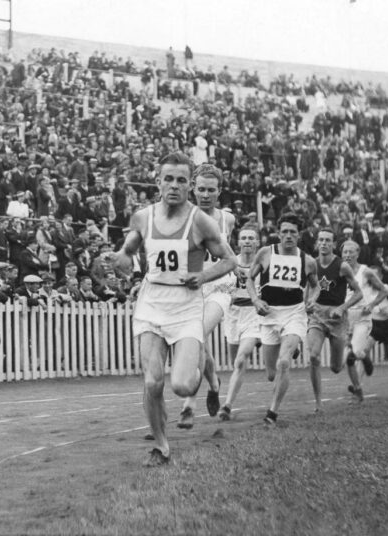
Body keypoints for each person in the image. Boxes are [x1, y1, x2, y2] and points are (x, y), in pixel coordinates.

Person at [111, 152, 236, 466]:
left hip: (186, 307)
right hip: (152, 303)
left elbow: (230, 261)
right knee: (153, 382)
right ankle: (162, 447)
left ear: (189, 184)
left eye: (182, 180)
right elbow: (127, 251)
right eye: (168, 179)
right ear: (158, 181)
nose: (175, 186)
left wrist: (202, 275)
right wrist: (121, 261)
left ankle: (205, 382)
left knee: (181, 385)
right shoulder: (144, 217)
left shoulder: (200, 220)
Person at [176, 163, 234, 429]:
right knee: (200, 342)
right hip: (195, 287)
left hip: (220, 288)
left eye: (211, 190)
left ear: (219, 191)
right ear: (192, 189)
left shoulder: (227, 219)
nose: (206, 195)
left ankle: (189, 403)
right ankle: (213, 383)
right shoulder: (182, 216)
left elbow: (227, 252)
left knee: (196, 334)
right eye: (201, 189)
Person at [246, 215, 319, 424]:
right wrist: (255, 300)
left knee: (284, 362)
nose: (288, 236)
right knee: (271, 374)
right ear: (278, 233)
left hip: (294, 313)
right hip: (269, 315)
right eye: (285, 231)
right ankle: (290, 345)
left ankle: (272, 413)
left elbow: (316, 285)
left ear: (299, 235)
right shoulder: (266, 253)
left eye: (293, 232)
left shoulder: (307, 260)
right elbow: (250, 278)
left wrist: (312, 300)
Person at [307, 228, 363, 412]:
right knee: (314, 356)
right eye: (320, 240)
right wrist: (307, 305)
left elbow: (358, 293)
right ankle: (318, 403)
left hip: (337, 317)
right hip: (317, 314)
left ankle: (345, 357)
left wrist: (342, 308)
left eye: (327, 240)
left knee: (336, 367)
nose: (323, 243)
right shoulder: (311, 264)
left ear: (333, 244)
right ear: (317, 243)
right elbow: (308, 289)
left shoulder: (342, 266)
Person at [218, 225, 262, 420]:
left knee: (241, 359)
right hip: (233, 315)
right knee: (235, 362)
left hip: (253, 315)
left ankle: (227, 405)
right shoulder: (230, 262)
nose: (247, 241)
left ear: (257, 242)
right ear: (238, 242)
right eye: (244, 238)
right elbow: (217, 284)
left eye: (251, 238)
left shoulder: (263, 264)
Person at [341, 240, 388, 401]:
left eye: (350, 252)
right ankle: (358, 389)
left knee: (351, 356)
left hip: (362, 317)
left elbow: (383, 291)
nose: (347, 255)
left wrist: (372, 304)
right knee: (346, 360)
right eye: (345, 252)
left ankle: (362, 358)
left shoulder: (365, 271)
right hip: (345, 319)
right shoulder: (339, 270)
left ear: (357, 253)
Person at [362, 265, 388, 375]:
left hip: (386, 325)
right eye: (371, 276)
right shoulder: (366, 290)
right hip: (373, 324)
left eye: (375, 276)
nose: (373, 279)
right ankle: (357, 385)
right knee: (363, 352)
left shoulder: (387, 289)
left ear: (381, 276)